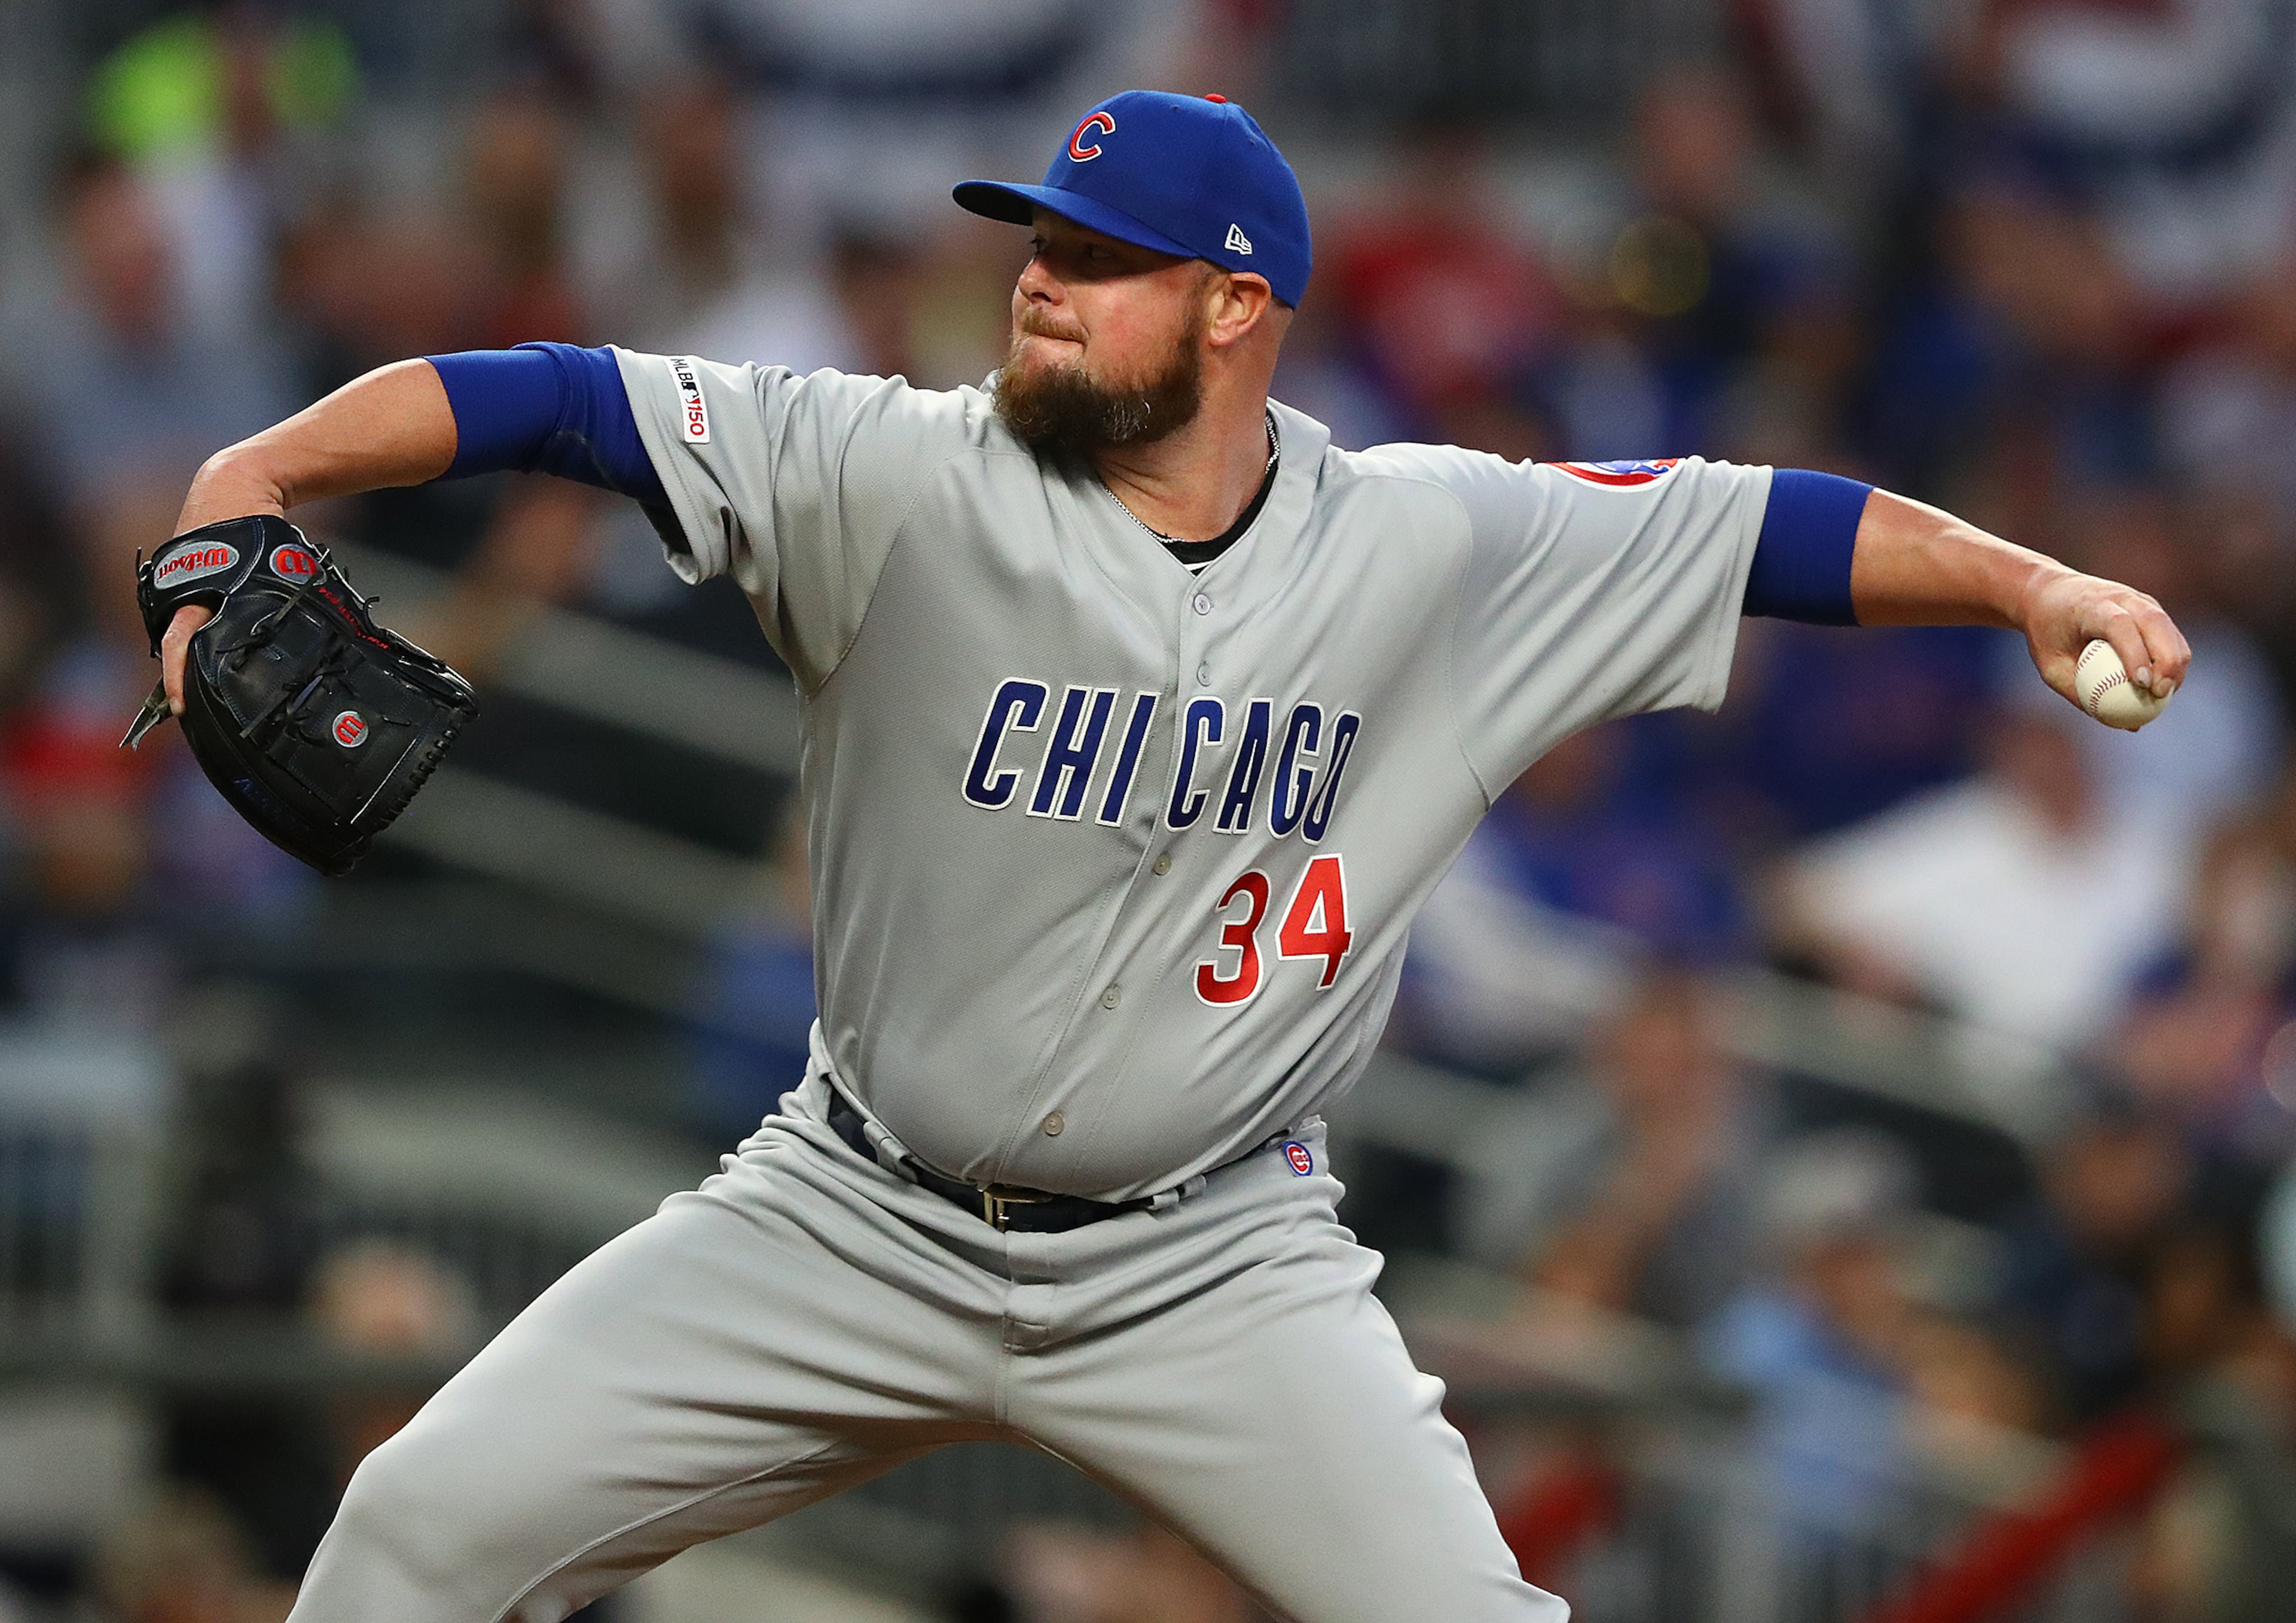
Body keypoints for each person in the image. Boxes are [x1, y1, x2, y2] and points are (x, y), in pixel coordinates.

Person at [150, 90, 2187, 1623]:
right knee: (413, 1534)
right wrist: (258, 474)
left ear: (1236, 306)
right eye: (1040, 234)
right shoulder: (899, 474)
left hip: (1209, 1261)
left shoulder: (1430, 542)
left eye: (1101, 253)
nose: (1042, 273)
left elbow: (1771, 529)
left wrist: (2029, 583)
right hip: (848, 1212)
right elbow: (560, 404)